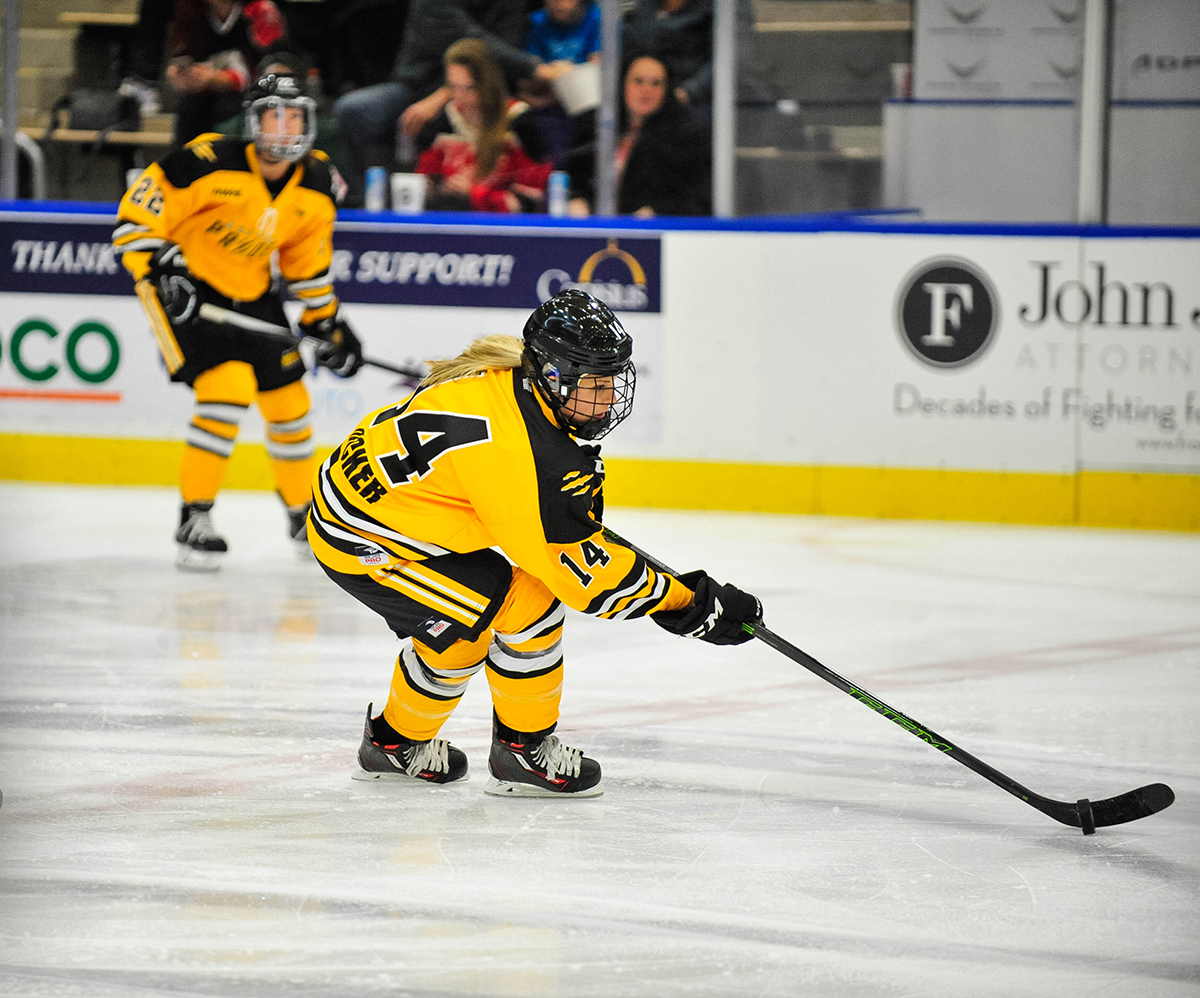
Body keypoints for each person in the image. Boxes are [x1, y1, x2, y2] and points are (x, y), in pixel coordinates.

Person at [308, 289, 762, 797]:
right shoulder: (525, 456)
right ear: (551, 375)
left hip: (392, 516)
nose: (609, 396)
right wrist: (689, 604)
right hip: (369, 543)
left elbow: (561, 522)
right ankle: (522, 752)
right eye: (594, 383)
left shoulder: (515, 383)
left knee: (464, 632)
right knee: (531, 607)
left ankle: (392, 745)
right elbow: (585, 581)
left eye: (612, 379)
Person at [112, 73, 365, 571]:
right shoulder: (203, 160)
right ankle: (194, 517)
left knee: (290, 402)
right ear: (252, 121)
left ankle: (304, 520)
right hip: (185, 290)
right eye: (274, 114)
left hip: (252, 293)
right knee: (227, 387)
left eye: (295, 115)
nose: (285, 126)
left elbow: (306, 265)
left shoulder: (317, 182)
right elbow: (135, 223)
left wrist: (327, 323)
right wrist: (160, 271)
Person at [332, 0, 571, 200]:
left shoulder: (510, 5)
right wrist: (537, 69)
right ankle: (375, 202)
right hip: (416, 88)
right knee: (355, 110)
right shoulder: (434, 5)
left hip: (485, 88)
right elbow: (467, 38)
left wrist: (451, 94)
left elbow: (493, 55)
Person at [414, 39, 552, 213]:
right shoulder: (444, 122)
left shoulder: (520, 121)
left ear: (488, 84)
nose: (460, 98)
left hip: (502, 229)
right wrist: (436, 188)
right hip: (451, 221)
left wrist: (474, 194)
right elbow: (423, 186)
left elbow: (529, 203)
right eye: (453, 87)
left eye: (469, 88)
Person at [565, 53, 710, 217]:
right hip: (592, 227)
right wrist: (576, 200)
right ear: (622, 84)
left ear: (667, 90)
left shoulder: (687, 137)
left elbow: (693, 198)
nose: (646, 90)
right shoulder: (594, 124)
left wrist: (656, 212)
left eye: (656, 83)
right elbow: (570, 176)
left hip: (652, 232)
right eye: (638, 81)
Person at [163, 0, 290, 145]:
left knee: (228, 108)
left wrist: (221, 78)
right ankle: (187, 164)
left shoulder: (260, 11)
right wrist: (180, 74)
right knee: (189, 108)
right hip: (206, 92)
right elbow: (184, 56)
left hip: (250, 95)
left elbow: (273, 69)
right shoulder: (191, 12)